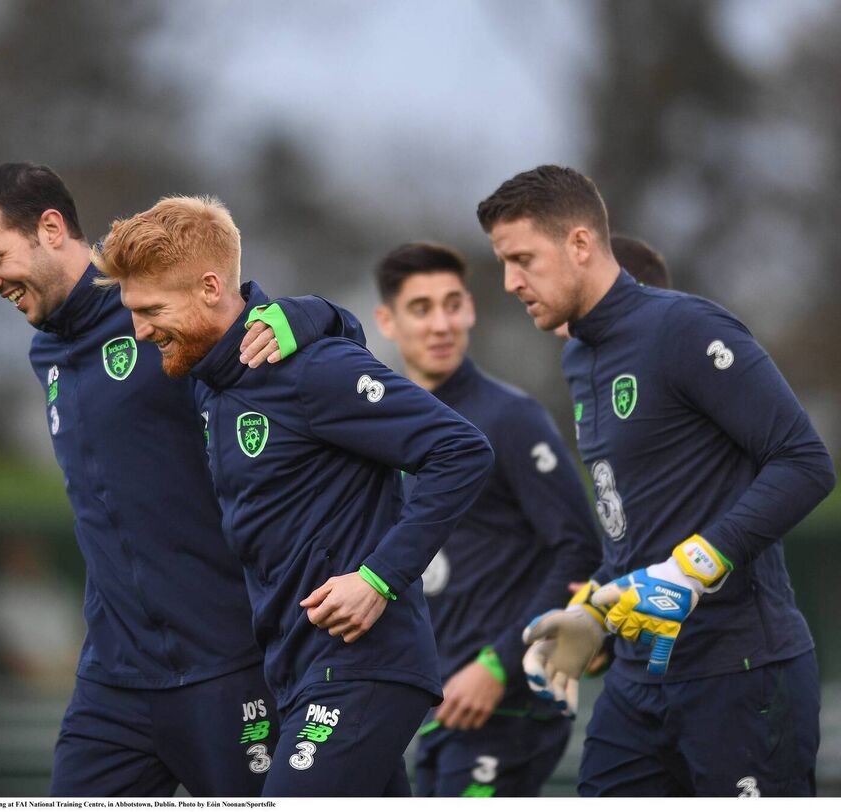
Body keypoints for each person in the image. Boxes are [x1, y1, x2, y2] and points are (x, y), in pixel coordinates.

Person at [0, 163, 364, 796]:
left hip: (227, 667)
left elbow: (278, 334)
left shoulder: (152, 306)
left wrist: (317, 315)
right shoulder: (46, 353)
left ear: (51, 229)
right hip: (113, 683)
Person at [96, 195, 495, 797]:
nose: (140, 328)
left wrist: (378, 578)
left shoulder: (310, 370)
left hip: (363, 667)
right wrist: (320, 312)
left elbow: (463, 452)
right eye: (133, 310)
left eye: (152, 308)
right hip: (295, 674)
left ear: (210, 287)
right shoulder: (212, 386)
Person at [476, 164, 836, 797]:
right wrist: (593, 611)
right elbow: (634, 519)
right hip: (638, 686)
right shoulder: (578, 355)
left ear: (580, 244)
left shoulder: (686, 329)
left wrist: (693, 567)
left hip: (740, 672)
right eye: (505, 262)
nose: (511, 282)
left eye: (523, 258)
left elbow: (805, 462)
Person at [371, 242, 601, 797]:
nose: (442, 323)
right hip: (433, 712)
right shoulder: (376, 427)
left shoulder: (511, 418)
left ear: (471, 309)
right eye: (421, 308)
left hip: (507, 712)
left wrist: (499, 665)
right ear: (386, 321)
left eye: (453, 304)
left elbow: (579, 550)